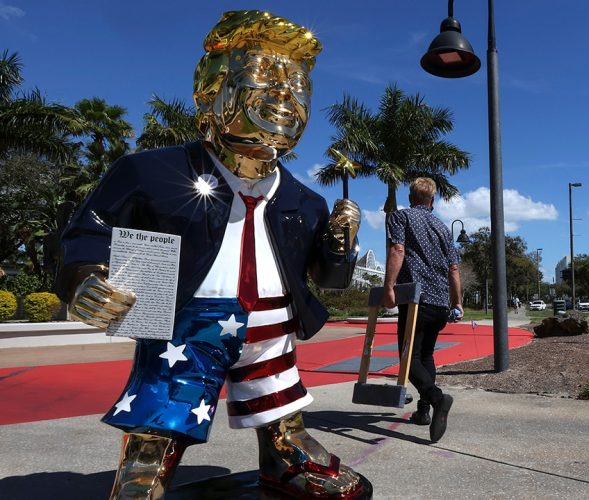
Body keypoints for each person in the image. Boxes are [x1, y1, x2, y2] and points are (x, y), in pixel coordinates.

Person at [54, 10, 371, 500]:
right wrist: (84, 277)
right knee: (165, 400)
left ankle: (284, 452)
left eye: (298, 83)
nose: (286, 93)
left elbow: (326, 279)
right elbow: (90, 229)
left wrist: (339, 245)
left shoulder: (307, 201)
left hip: (273, 327)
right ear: (212, 90)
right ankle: (146, 466)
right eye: (265, 75)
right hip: (187, 320)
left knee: (279, 394)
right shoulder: (151, 172)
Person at [381, 177, 462, 443]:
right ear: (433, 200)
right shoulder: (442, 227)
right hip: (440, 303)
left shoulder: (400, 217)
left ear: (410, 197)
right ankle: (423, 412)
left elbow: (398, 249)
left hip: (415, 299)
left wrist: (389, 286)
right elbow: (453, 268)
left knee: (408, 358)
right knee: (425, 355)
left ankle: (437, 399)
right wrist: (457, 302)